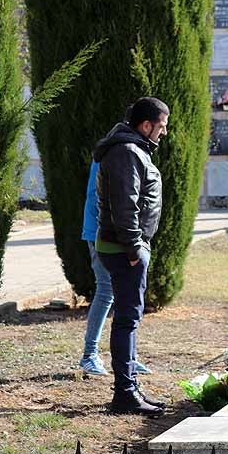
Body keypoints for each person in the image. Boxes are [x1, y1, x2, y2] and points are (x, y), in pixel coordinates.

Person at [93, 97, 169, 417]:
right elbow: (126, 205)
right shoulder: (127, 152)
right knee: (127, 320)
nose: (163, 133)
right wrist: (135, 247)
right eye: (161, 126)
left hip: (124, 247)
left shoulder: (132, 148)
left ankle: (130, 387)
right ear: (146, 125)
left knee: (130, 319)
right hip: (124, 249)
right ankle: (124, 394)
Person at [80, 160, 152, 376]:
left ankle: (128, 357)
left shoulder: (127, 153)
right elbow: (98, 198)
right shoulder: (113, 155)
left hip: (122, 235)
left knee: (127, 294)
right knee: (106, 291)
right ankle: (89, 355)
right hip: (104, 235)